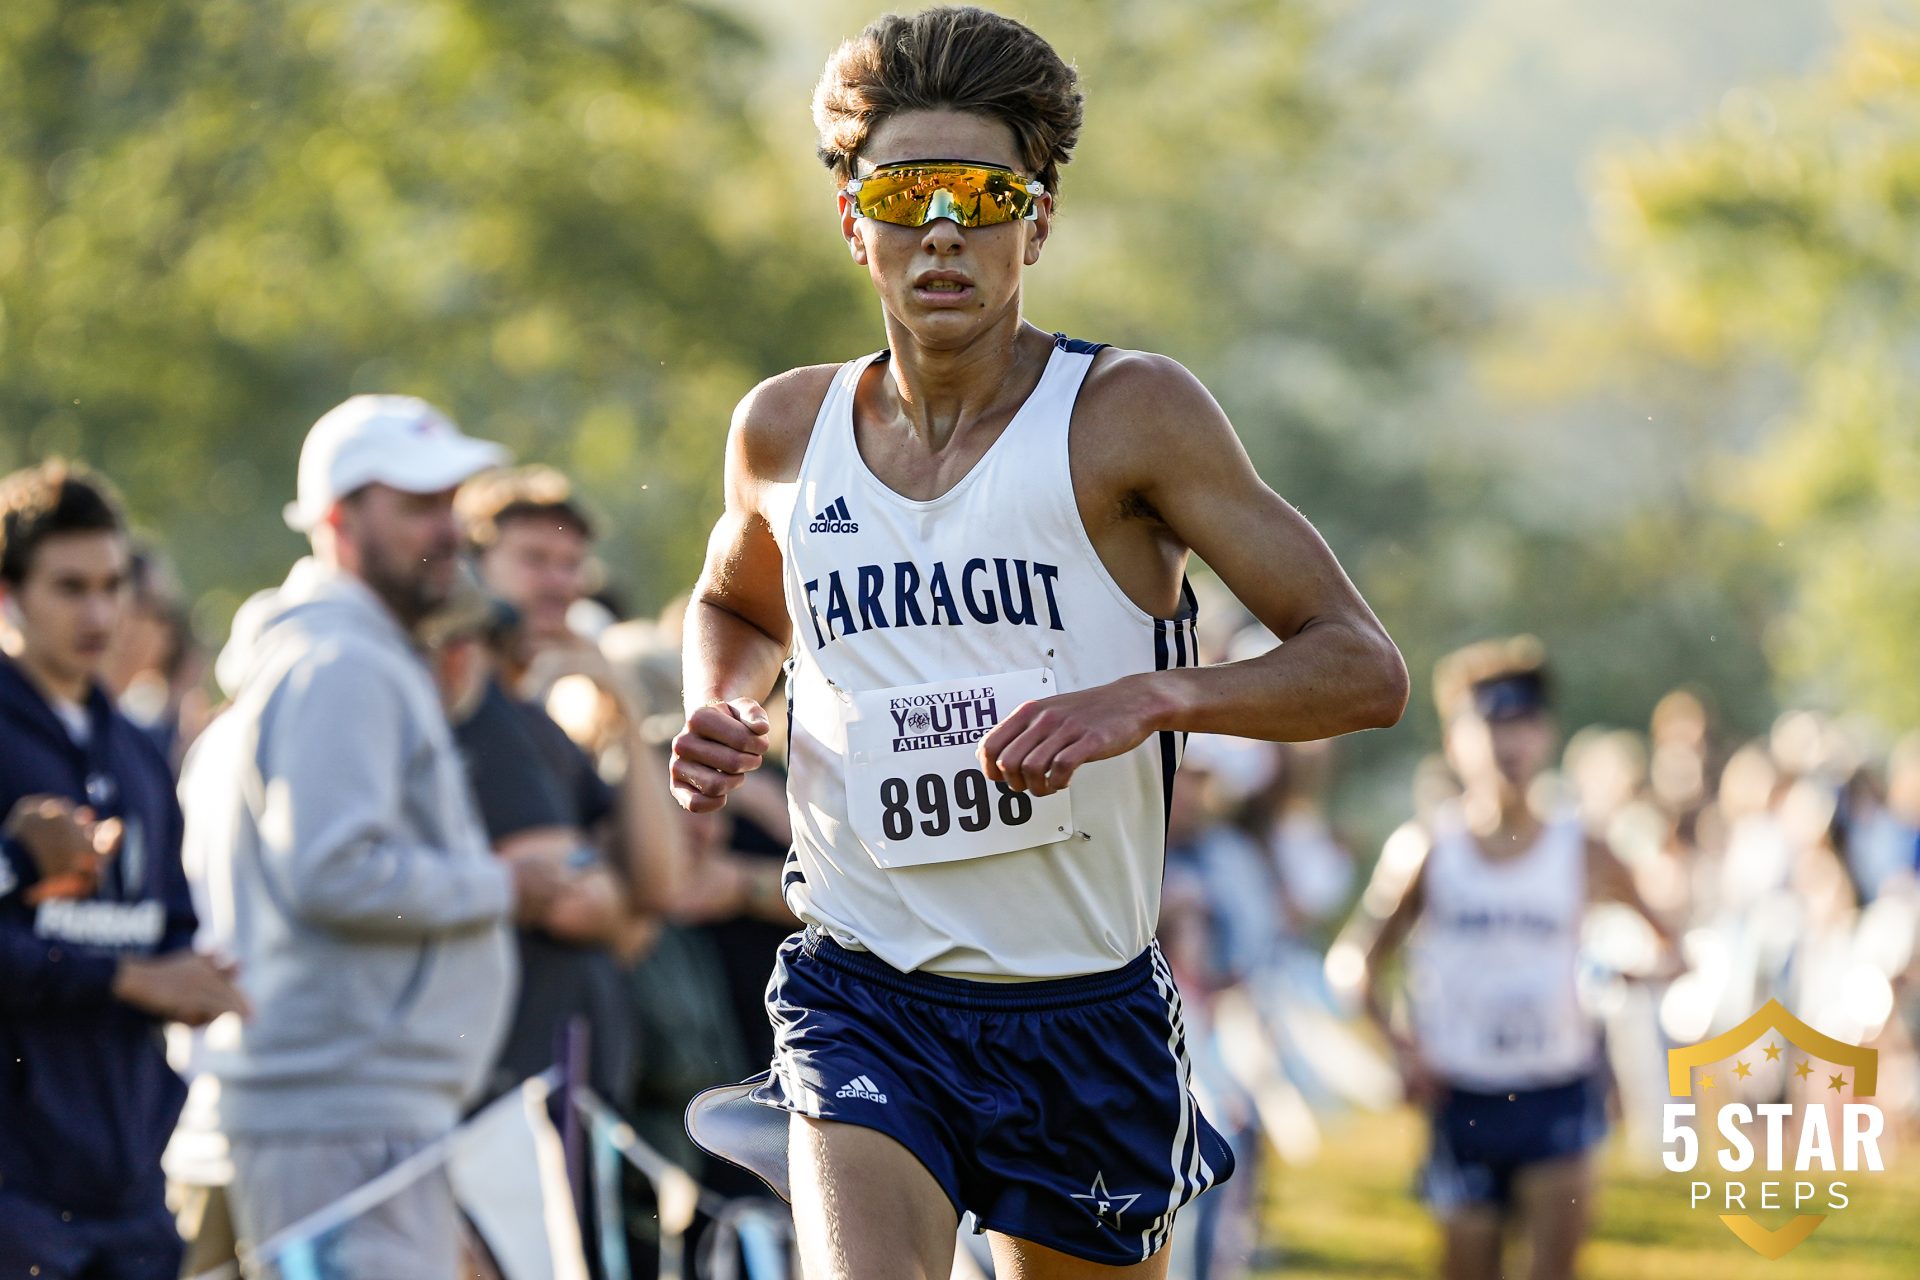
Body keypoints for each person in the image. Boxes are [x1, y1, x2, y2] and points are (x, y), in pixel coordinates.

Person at [670, 10, 1408, 1278]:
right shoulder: (784, 431)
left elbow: (1361, 665)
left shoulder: (1131, 416)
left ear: (1039, 221)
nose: (943, 227)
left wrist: (1152, 696)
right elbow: (736, 606)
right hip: (864, 984)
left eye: (983, 193)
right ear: (856, 222)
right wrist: (725, 699)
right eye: (906, 192)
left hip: (1078, 1006)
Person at [177, 396, 565, 1278]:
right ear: (337, 521)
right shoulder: (344, 664)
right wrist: (506, 887)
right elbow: (333, 872)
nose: (447, 527)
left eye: (449, 502)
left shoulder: (347, 654)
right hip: (339, 1110)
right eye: (416, 504)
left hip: (353, 1107)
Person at [1349, 636, 1677, 1280]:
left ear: (1547, 734)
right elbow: (1356, 964)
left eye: (1523, 722)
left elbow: (1675, 948)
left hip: (1557, 1090)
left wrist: (1624, 977)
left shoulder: (1584, 849)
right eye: (1489, 722)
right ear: (1453, 740)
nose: (1509, 742)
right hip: (1464, 1094)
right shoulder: (1427, 850)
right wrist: (1401, 1048)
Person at [0, 460, 248, 1280]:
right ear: (9, 591)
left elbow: (165, 926)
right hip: (18, 1191)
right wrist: (124, 978)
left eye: (113, 585)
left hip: (130, 1186)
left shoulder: (137, 752)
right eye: (69, 587)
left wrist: (197, 980)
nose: (99, 612)